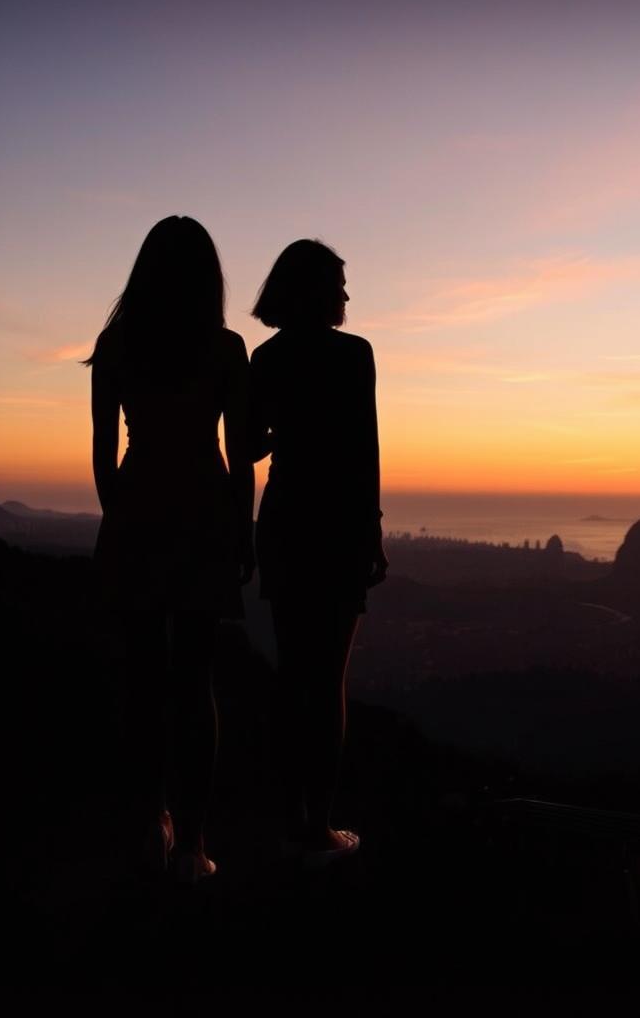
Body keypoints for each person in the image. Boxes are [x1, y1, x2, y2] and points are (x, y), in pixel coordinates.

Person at [84, 216, 254, 883]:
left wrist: (120, 518)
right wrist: (243, 533)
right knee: (194, 683)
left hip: (138, 508)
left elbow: (103, 455)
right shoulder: (225, 348)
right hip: (205, 512)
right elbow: (241, 459)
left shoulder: (117, 344)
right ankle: (193, 844)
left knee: (143, 684)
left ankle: (147, 826)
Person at [249, 239, 388, 864]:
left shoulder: (266, 357)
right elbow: (365, 451)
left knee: (292, 675)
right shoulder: (355, 356)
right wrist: (373, 533)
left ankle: (287, 819)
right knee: (327, 680)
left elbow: (247, 446)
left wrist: (291, 424)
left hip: (284, 521)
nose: (347, 295)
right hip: (335, 525)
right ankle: (320, 827)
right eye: (338, 283)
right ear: (311, 289)